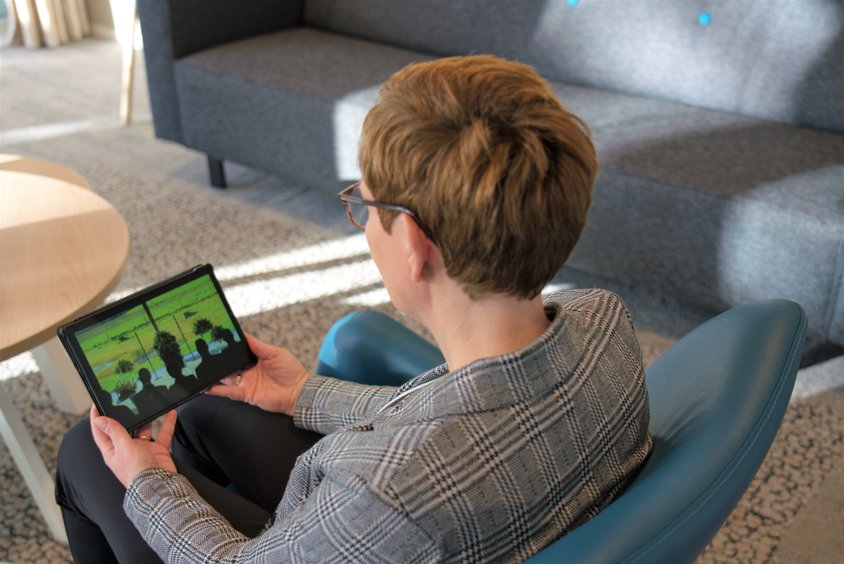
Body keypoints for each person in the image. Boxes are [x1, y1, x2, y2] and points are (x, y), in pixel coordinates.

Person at [55, 54, 652, 563]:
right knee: (208, 404)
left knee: (88, 451)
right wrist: (301, 393)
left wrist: (150, 483)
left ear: (414, 246)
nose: (363, 225)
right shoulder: (602, 321)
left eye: (364, 206)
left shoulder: (390, 494)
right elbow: (447, 411)